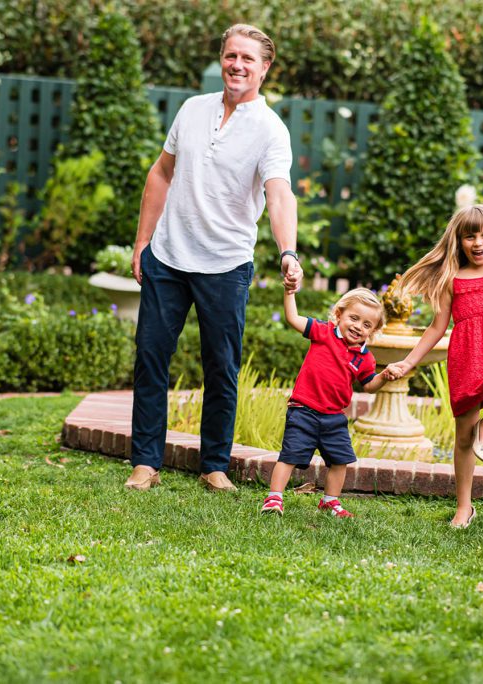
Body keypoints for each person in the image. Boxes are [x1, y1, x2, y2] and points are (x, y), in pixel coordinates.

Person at [124, 24, 302, 493]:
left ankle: (214, 465)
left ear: (265, 68)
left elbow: (279, 194)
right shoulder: (191, 109)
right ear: (221, 59)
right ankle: (145, 462)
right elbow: (162, 173)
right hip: (168, 256)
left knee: (220, 366)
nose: (236, 65)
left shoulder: (271, 130)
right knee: (151, 358)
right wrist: (143, 241)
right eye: (230, 56)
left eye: (247, 58)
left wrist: (288, 251)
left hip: (225, 266)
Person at [384, 205, 483, 528]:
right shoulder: (452, 280)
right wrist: (409, 362)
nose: (478, 243)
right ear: (459, 241)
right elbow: (436, 328)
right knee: (463, 438)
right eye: (470, 236)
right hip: (468, 360)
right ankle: (464, 507)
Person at [260, 288, 389, 518]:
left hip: (334, 418)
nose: (359, 326)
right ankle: (274, 497)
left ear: (373, 331)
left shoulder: (365, 358)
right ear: (339, 314)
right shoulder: (323, 332)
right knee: (289, 456)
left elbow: (369, 385)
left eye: (367, 325)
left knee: (340, 461)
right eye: (354, 318)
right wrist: (290, 292)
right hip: (303, 410)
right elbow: (292, 318)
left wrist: (384, 377)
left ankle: (330, 502)